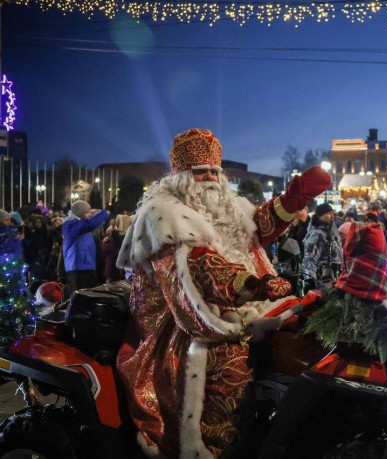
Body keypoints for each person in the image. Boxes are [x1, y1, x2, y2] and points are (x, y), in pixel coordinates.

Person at [115, 128, 330, 457]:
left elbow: (257, 225)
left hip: (233, 308)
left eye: (216, 171)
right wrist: (251, 285)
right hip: (177, 323)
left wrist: (295, 198)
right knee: (227, 362)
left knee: (296, 335)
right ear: (182, 176)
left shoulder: (228, 208)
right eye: (201, 173)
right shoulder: (163, 216)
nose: (211, 179)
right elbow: (198, 269)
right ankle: (216, 446)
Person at [61, 200, 110, 296]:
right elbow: (89, 224)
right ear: (80, 213)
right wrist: (103, 214)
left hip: (87, 266)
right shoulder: (70, 224)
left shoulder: (80, 225)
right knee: (80, 298)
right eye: (87, 212)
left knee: (89, 298)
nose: (90, 215)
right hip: (78, 268)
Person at [303, 202, 344, 285]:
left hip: (333, 278)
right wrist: (311, 281)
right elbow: (309, 259)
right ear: (319, 216)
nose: (332, 216)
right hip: (321, 280)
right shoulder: (316, 234)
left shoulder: (332, 231)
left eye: (333, 213)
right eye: (329, 213)